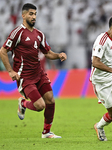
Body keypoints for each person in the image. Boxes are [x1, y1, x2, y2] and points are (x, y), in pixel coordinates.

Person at [0, 3, 67, 138]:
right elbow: (3, 51)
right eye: (31, 14)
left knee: (50, 101)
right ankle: (23, 103)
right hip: (25, 76)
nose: (33, 16)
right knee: (40, 105)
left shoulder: (39, 34)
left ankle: (46, 132)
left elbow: (47, 53)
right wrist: (10, 72)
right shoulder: (17, 32)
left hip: (39, 73)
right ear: (23, 15)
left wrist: (58, 55)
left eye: (35, 14)